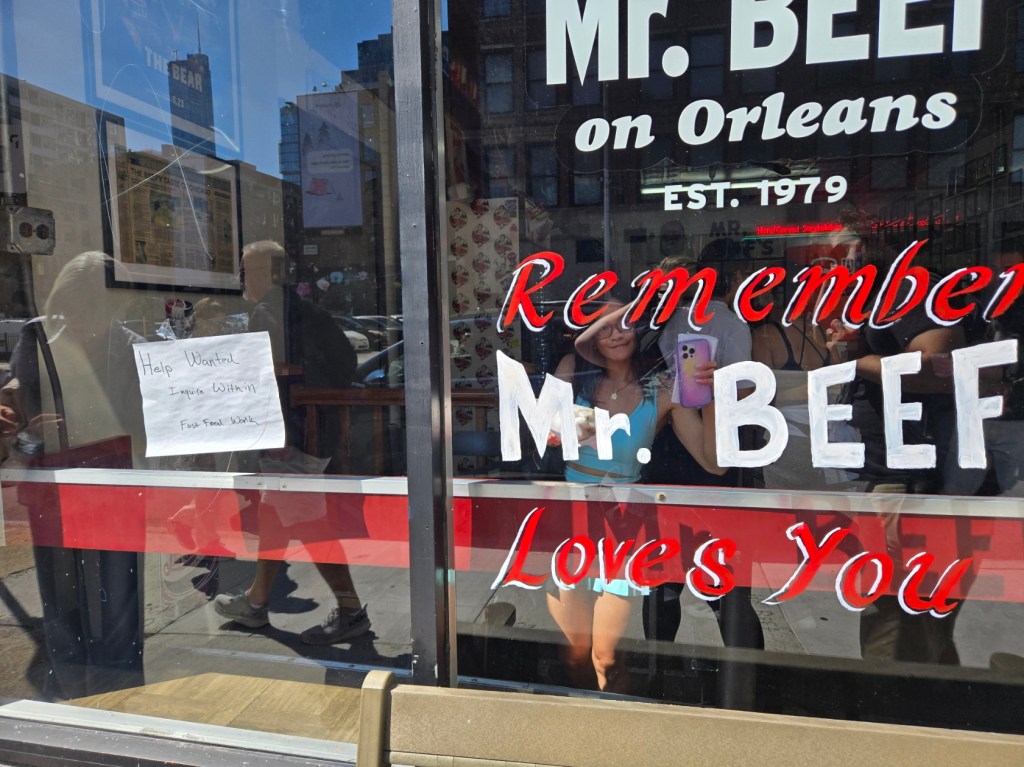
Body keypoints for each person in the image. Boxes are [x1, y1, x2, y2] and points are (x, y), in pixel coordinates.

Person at [547, 302, 722, 692]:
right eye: (604, 327)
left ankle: (616, 722)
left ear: (638, 329)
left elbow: (713, 464)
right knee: (574, 653)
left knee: (606, 656)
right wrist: (555, 430)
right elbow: (545, 433)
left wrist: (712, 398)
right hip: (570, 520)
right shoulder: (572, 371)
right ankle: (581, 718)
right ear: (589, 337)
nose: (616, 334)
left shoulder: (661, 388)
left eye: (624, 324)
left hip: (624, 527)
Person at [1, 251, 147, 698]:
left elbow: (146, 426)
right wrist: (21, 424)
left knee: (119, 601)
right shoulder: (37, 340)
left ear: (115, 301)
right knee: (61, 601)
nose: (81, 312)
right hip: (52, 484)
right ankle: (70, 692)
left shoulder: (133, 348)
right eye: (72, 300)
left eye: (93, 300)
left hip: (116, 485)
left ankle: (121, 696)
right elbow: (19, 414)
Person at [212, 241, 370, 644]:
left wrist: (279, 431)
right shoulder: (310, 311)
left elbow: (263, 381)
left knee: (310, 526)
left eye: (246, 271)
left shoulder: (268, 313)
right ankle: (256, 602)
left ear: (269, 273)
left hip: (289, 438)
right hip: (312, 433)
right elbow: (346, 364)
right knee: (277, 521)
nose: (241, 280)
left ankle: (350, 609)